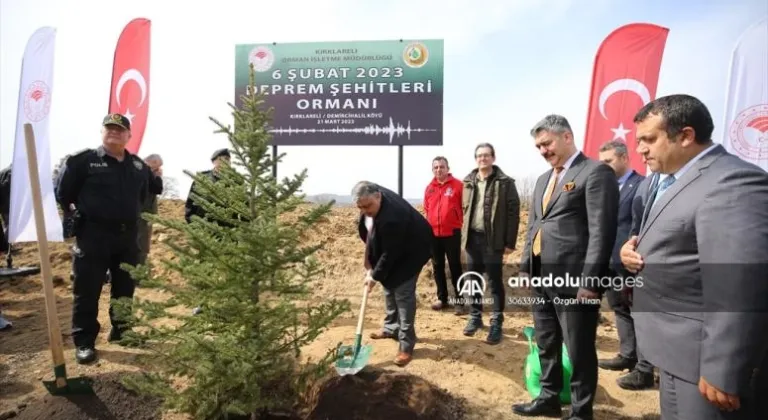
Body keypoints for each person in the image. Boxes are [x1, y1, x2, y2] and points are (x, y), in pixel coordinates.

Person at [621, 94, 768, 419]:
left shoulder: (730, 182)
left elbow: (739, 281)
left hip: (704, 362)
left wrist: (723, 367)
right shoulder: (678, 182)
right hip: (678, 352)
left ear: (685, 135)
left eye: (649, 139)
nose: (641, 149)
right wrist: (633, 249)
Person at [513, 114, 619, 419]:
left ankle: (581, 410)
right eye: (538, 147)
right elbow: (534, 225)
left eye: (547, 143)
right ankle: (548, 397)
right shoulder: (544, 180)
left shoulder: (595, 172)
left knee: (579, 348)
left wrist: (591, 281)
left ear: (567, 137)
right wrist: (524, 267)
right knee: (546, 341)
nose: (543, 150)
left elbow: (602, 231)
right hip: (541, 277)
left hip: (574, 281)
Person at [55, 113, 163, 364]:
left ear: (129, 135)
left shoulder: (137, 166)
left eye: (120, 129)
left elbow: (152, 190)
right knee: (88, 290)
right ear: (102, 132)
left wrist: (157, 172)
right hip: (93, 236)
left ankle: (122, 330)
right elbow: (63, 194)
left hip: (128, 238)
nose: (114, 132)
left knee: (125, 287)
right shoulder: (82, 161)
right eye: (109, 128)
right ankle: (84, 341)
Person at [596, 140, 654, 390]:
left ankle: (645, 369)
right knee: (619, 309)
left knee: (639, 313)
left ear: (623, 158)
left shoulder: (642, 186)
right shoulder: (602, 188)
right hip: (607, 261)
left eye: (608, 161)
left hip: (631, 263)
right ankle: (627, 355)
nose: (605, 166)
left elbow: (642, 225)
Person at [354, 181, 433, 367]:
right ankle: (391, 327)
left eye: (368, 206)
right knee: (388, 284)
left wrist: (374, 276)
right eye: (360, 207)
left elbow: (390, 254)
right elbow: (371, 237)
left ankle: (406, 344)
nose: (365, 210)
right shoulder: (371, 199)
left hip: (414, 249)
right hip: (395, 246)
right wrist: (373, 266)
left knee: (403, 292)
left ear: (378, 196)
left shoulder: (393, 217)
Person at [460, 143, 520, 344]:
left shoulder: (505, 183)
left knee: (494, 282)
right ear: (475, 159)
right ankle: (475, 317)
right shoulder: (468, 182)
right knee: (473, 280)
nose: (482, 159)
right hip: (472, 239)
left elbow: (513, 214)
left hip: (492, 241)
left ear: (493, 158)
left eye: (486, 155)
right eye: (479, 156)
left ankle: (496, 321)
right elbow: (464, 210)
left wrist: (509, 242)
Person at [423, 156, 464, 314]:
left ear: (448, 168)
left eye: (441, 167)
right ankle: (442, 298)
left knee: (455, 266)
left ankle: (459, 301)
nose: (439, 170)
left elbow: (464, 206)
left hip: (452, 232)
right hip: (433, 233)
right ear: (433, 170)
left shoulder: (458, 186)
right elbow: (427, 208)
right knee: (437, 266)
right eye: (436, 167)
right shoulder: (429, 188)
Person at [185, 148, 230, 224]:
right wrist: (192, 223)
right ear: (214, 161)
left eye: (228, 159)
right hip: (203, 227)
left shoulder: (235, 181)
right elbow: (190, 202)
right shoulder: (202, 179)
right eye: (222, 159)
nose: (226, 162)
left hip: (227, 229)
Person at [137, 154, 163, 266]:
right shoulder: (141, 171)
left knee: (143, 244)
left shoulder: (146, 172)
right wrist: (157, 177)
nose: (159, 169)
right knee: (140, 245)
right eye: (157, 166)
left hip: (146, 215)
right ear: (151, 162)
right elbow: (156, 189)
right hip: (140, 215)